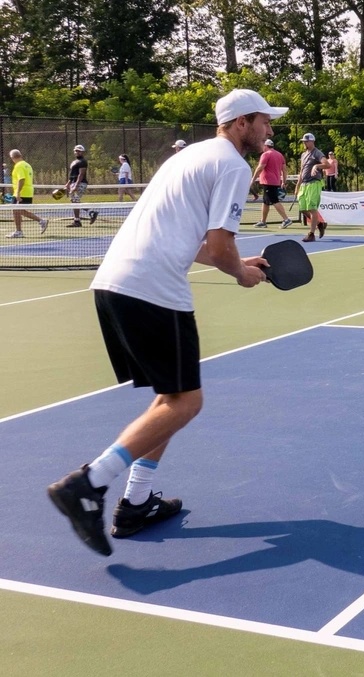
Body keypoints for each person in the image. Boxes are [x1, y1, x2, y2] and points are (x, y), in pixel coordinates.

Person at [45, 88, 283, 557]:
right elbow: (218, 248)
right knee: (186, 402)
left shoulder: (188, 157)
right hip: (153, 289)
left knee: (168, 397)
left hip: (114, 283)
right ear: (241, 123)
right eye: (263, 121)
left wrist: (237, 260)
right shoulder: (234, 166)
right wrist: (239, 273)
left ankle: (136, 504)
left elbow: (193, 240)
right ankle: (88, 485)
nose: (269, 130)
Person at [250, 139, 292, 229]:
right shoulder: (280, 155)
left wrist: (252, 180)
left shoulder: (266, 154)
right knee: (265, 201)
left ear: (265, 146)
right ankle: (263, 221)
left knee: (274, 201)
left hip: (269, 182)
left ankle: (286, 219)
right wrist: (284, 182)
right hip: (274, 182)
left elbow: (260, 168)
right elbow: (284, 170)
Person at [296, 132, 331, 242]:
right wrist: (297, 185)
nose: (305, 143)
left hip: (314, 183)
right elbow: (302, 171)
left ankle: (311, 234)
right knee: (303, 208)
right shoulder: (303, 155)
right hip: (304, 184)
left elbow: (327, 164)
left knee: (312, 208)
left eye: (306, 141)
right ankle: (320, 224)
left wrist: (317, 165)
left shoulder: (317, 153)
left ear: (312, 141)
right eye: (304, 141)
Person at [7, 149, 48, 237]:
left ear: (12, 157)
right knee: (19, 210)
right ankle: (41, 221)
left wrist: (18, 193)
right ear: (20, 155)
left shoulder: (18, 166)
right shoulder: (27, 165)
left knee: (16, 210)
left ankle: (19, 231)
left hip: (22, 192)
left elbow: (21, 179)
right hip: (28, 192)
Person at [66, 144, 98, 228]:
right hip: (73, 183)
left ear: (82, 152)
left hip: (80, 183)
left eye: (79, 151)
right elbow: (72, 174)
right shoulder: (74, 162)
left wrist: (76, 185)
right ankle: (78, 220)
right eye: (76, 150)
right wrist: (68, 183)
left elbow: (81, 174)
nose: (77, 152)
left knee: (75, 200)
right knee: (74, 201)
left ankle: (85, 216)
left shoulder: (83, 161)